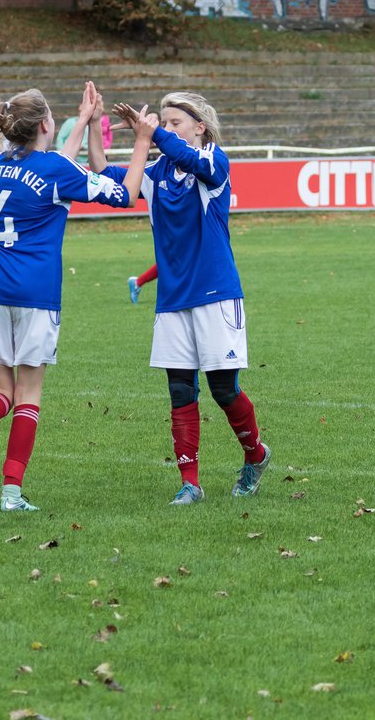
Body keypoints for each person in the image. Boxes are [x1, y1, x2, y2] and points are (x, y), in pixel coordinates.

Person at [0, 82, 150, 512]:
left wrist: (83, 121)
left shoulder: (2, 163)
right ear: (48, 124)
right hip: (34, 292)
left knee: (0, 393)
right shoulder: (54, 171)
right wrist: (140, 142)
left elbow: (55, 171)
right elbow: (126, 194)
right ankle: (11, 494)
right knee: (28, 394)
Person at [93, 93, 271, 506]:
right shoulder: (156, 173)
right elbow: (103, 172)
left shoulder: (214, 161)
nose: (167, 130)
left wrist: (152, 131)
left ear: (200, 127)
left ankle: (256, 455)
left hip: (215, 294)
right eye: (165, 122)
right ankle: (190, 482)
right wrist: (94, 125)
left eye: (176, 123)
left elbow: (190, 160)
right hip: (172, 300)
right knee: (179, 391)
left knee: (224, 391)